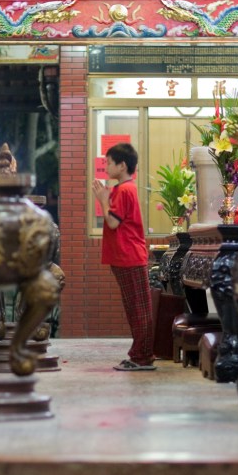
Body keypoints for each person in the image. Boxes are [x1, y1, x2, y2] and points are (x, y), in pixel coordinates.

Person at [92, 143, 155, 372]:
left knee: (139, 309)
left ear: (122, 165)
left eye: (109, 162)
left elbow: (112, 222)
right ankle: (140, 354)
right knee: (136, 308)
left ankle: (143, 357)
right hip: (125, 256)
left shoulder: (124, 190)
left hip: (129, 255)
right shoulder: (124, 189)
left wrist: (102, 199)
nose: (105, 166)